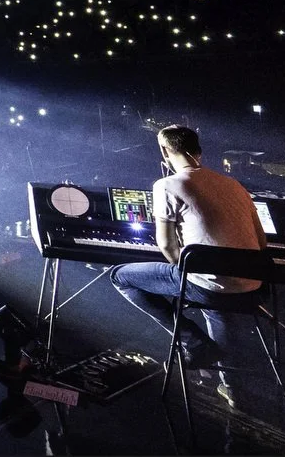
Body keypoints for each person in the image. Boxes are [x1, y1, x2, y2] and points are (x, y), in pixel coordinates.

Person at [109, 125, 265, 374]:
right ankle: (231, 384)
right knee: (212, 288)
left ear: (164, 151)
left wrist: (184, 271)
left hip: (212, 288)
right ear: (198, 150)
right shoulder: (234, 184)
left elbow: (166, 244)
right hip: (253, 287)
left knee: (120, 276)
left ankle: (195, 342)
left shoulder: (167, 185)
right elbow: (261, 241)